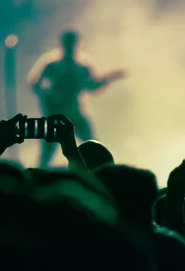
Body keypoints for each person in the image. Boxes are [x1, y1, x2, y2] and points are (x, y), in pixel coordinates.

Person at [28, 30, 125, 168]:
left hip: (74, 112)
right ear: (63, 45)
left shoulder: (81, 67)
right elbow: (35, 84)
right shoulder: (53, 65)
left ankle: (102, 173)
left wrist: (110, 78)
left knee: (93, 144)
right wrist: (48, 97)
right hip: (55, 116)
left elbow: (92, 86)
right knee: (46, 154)